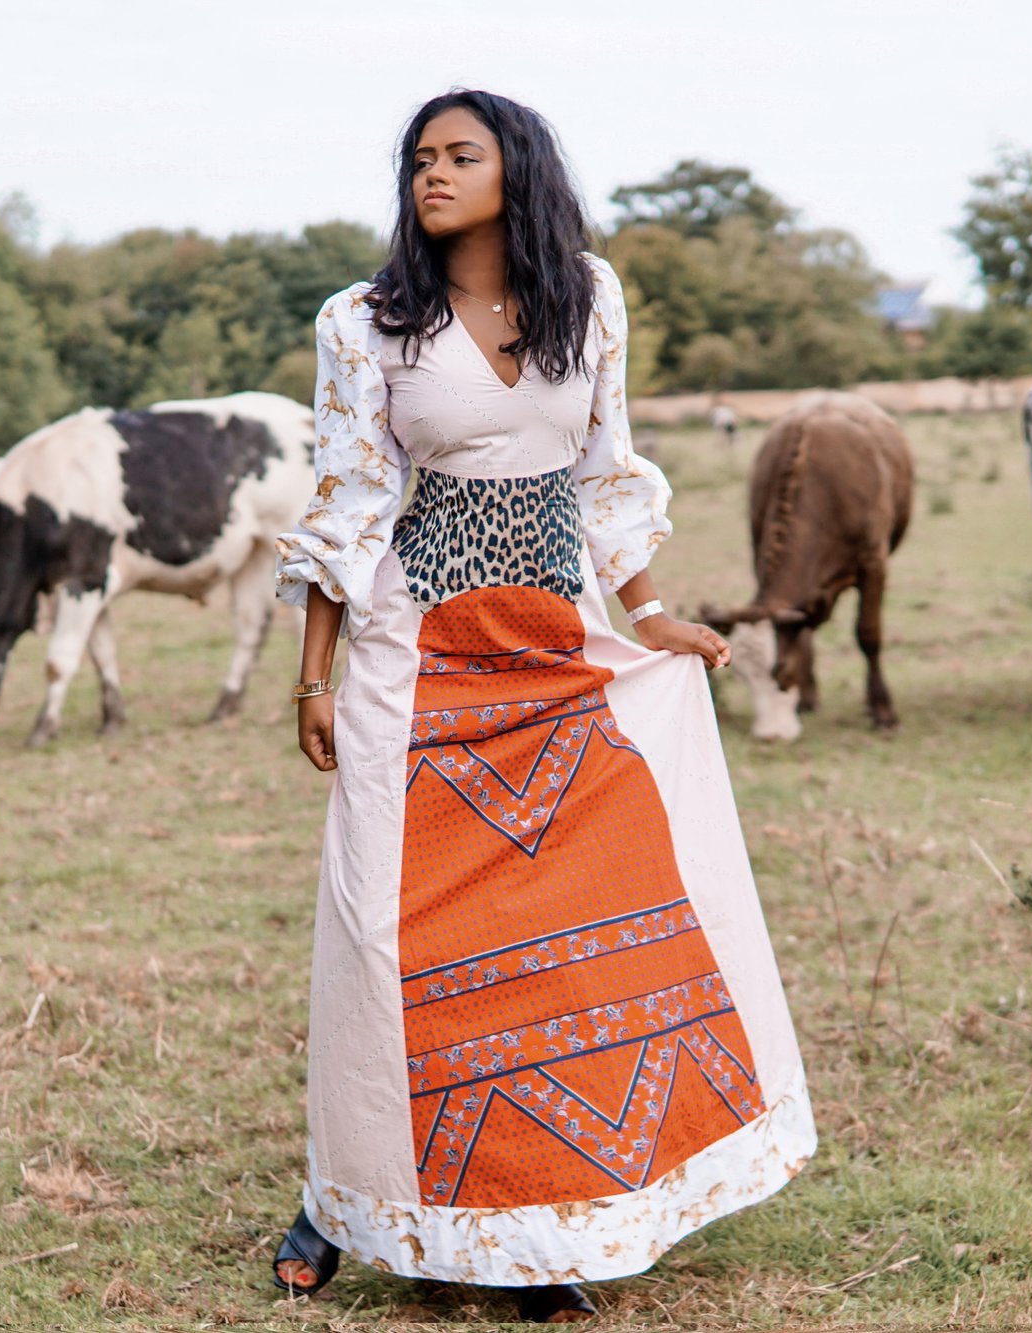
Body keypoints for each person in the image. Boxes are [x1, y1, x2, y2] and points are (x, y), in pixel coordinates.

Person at [271, 89, 816, 1324]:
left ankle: (542, 1230)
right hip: (417, 663)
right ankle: (347, 1199)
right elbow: (348, 496)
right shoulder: (364, 322)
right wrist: (312, 675)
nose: (431, 175)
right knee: (388, 943)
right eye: (418, 159)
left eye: (460, 155)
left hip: (557, 646)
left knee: (573, 934)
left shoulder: (587, 294)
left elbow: (603, 467)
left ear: (516, 169)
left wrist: (649, 609)